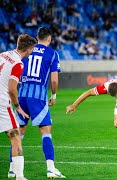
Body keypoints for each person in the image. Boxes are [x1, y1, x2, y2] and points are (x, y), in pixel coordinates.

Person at [8, 27, 65, 179]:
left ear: (37, 37)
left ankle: (12, 168)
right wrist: (53, 95)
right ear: (49, 39)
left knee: (18, 133)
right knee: (46, 131)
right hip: (38, 97)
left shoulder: (26, 50)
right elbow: (54, 79)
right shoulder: (52, 54)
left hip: (21, 96)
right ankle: (51, 169)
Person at [0, 34, 37, 180]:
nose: (32, 52)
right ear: (28, 49)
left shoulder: (3, 54)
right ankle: (20, 177)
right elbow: (12, 89)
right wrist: (18, 106)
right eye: (32, 49)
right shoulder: (18, 63)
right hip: (3, 104)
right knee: (16, 137)